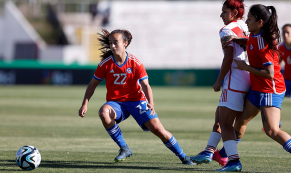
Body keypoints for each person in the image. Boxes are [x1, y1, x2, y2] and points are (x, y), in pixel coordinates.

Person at [78, 29, 195, 165]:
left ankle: (183, 157)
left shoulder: (135, 63)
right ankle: (124, 148)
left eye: (116, 42)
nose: (112, 46)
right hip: (116, 103)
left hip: (137, 101)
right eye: (110, 43)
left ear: (125, 43)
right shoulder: (105, 64)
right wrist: (85, 103)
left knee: (159, 130)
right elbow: (92, 84)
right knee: (103, 112)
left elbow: (146, 85)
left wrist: (151, 103)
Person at [229, 4, 291, 171]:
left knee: (272, 131)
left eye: (249, 19)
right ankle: (229, 158)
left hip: (270, 89)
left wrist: (246, 67)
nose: (246, 21)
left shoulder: (263, 41)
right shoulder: (254, 35)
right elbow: (250, 42)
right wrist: (236, 39)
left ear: (260, 22)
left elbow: (270, 73)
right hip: (258, 89)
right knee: (240, 121)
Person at [190, 0, 250, 171]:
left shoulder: (226, 30)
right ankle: (209, 151)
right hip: (248, 77)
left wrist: (219, 80)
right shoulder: (243, 26)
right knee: (220, 115)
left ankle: (233, 160)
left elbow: (229, 57)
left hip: (234, 80)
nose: (221, 15)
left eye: (224, 11)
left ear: (234, 13)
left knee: (225, 123)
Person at [279, 24, 291, 97]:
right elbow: (277, 64)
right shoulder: (281, 48)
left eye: (288, 32)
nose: (285, 35)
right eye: (284, 33)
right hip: (287, 80)